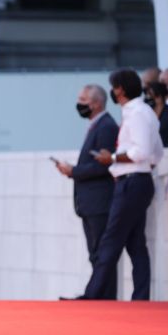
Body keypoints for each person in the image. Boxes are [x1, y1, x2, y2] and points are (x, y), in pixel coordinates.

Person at [73, 69, 163, 300]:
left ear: (120, 89)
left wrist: (112, 159)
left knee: (110, 240)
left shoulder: (137, 114)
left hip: (131, 184)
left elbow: (142, 151)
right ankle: (140, 298)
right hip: (135, 181)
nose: (113, 92)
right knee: (135, 244)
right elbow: (156, 153)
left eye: (114, 87)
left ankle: (94, 295)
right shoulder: (143, 112)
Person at [56, 84, 119, 300]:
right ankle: (99, 296)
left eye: (83, 100)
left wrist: (74, 171)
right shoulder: (96, 126)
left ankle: (102, 297)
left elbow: (104, 164)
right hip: (90, 201)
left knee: (102, 254)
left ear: (97, 103)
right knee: (96, 254)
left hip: (99, 201)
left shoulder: (106, 127)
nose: (80, 104)